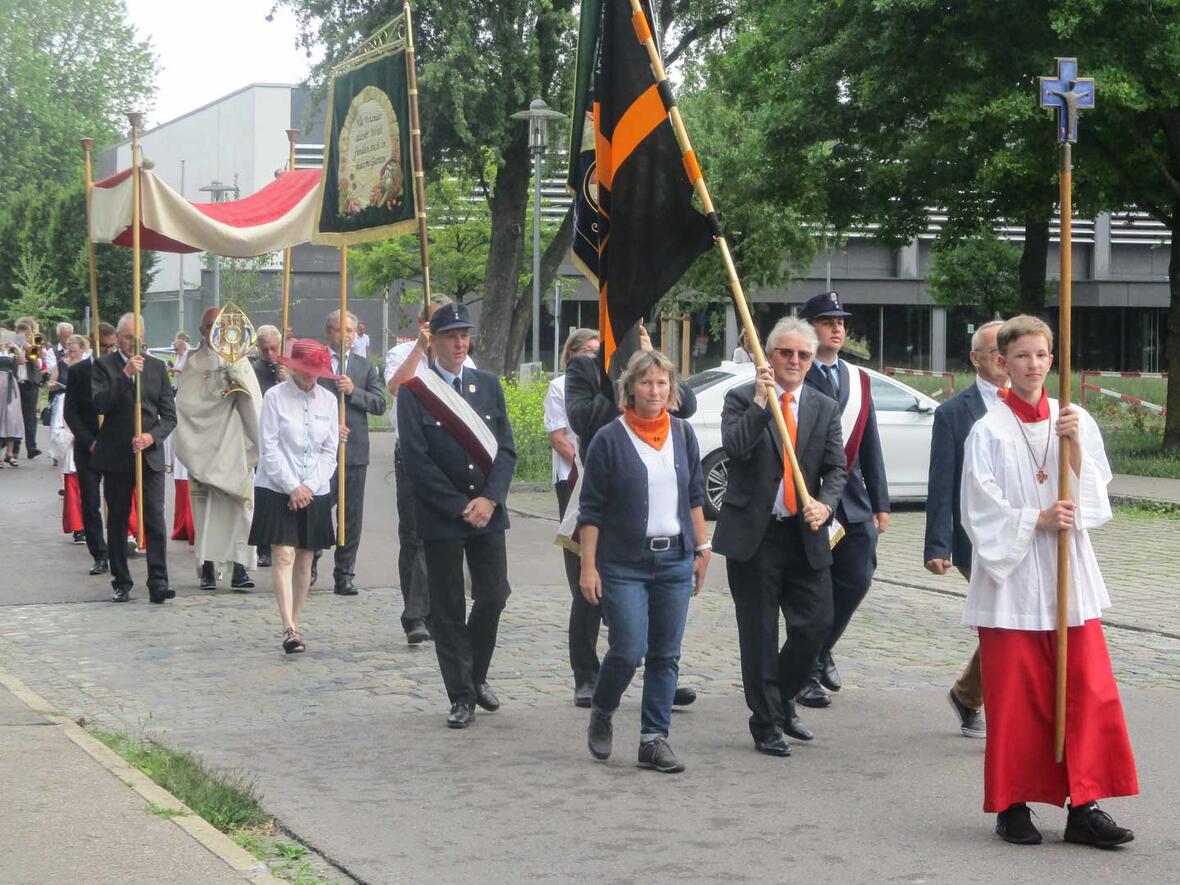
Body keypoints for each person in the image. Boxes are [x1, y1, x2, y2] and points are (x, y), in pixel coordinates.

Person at [961, 315, 1138, 847]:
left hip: (1069, 577)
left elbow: (1098, 493)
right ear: (1002, 363)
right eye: (1020, 356)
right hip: (1013, 583)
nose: (1032, 365)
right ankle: (1013, 806)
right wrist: (1033, 519)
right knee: (1016, 699)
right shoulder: (987, 429)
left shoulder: (1074, 416)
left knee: (1086, 693)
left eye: (1041, 356)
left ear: (1051, 360)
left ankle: (1085, 805)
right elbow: (977, 507)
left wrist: (1075, 448)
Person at [713, 316, 848, 755]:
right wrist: (758, 404)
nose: (794, 361)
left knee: (816, 624)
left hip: (804, 534)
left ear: (811, 361)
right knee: (759, 634)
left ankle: (782, 698)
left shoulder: (824, 407)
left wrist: (825, 503)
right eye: (785, 353)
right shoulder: (740, 399)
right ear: (767, 356)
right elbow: (734, 449)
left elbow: (836, 469)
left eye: (802, 355)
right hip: (755, 537)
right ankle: (766, 721)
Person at [577, 350, 710, 773]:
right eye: (646, 383)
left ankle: (654, 739)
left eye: (662, 383)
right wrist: (588, 567)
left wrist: (702, 548)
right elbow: (591, 511)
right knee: (629, 647)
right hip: (623, 564)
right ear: (629, 388)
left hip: (674, 559)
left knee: (666, 654)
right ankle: (603, 707)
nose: (655, 391)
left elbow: (694, 496)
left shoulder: (683, 434)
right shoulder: (610, 439)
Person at [563, 321, 701, 709]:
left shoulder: (657, 378)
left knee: (660, 627)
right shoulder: (585, 369)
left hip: (657, 498)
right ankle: (588, 676)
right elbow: (583, 419)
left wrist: (653, 362)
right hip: (602, 485)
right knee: (591, 592)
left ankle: (660, 684)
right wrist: (618, 379)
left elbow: (685, 405)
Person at [396, 301, 516, 728]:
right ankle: (461, 695)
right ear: (434, 341)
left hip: (487, 511)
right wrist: (457, 505)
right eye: (451, 336)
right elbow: (416, 459)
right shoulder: (415, 393)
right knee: (446, 608)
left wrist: (490, 499)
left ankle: (475, 674)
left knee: (493, 595)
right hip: (443, 514)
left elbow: (506, 449)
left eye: (464, 336)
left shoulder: (487, 384)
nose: (460, 343)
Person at [796, 291, 889, 709]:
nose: (837, 328)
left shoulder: (858, 377)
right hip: (811, 497)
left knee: (858, 576)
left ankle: (820, 648)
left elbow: (869, 442)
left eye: (840, 322)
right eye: (827, 321)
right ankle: (805, 670)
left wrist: (880, 501)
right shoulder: (795, 369)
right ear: (808, 327)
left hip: (852, 500)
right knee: (816, 586)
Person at [923, 319, 1006, 739]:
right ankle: (1006, 713)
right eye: (997, 351)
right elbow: (942, 482)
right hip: (974, 539)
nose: (1006, 359)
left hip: (1026, 532)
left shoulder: (1037, 401)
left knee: (1007, 623)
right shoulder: (954, 413)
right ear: (976, 359)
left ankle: (968, 693)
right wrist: (937, 545)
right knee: (1005, 623)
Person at [385, 294, 475, 644]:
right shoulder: (403, 355)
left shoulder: (463, 360)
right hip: (412, 454)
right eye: (440, 325)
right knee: (415, 535)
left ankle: (445, 610)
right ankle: (416, 614)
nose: (452, 335)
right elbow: (396, 387)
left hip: (451, 455)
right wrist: (421, 351)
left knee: (451, 535)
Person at [249, 339, 345, 654]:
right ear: (293, 369)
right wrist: (293, 486)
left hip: (314, 485)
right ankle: (287, 625)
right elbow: (270, 447)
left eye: (316, 372)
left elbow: (330, 450)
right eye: (305, 372)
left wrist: (309, 485)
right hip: (278, 485)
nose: (311, 378)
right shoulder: (275, 398)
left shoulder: (329, 402)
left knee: (306, 555)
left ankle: (297, 620)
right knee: (283, 554)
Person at [175, 307, 262, 592]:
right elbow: (188, 406)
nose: (215, 332)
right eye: (210, 326)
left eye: (220, 326)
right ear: (202, 331)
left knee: (240, 510)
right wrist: (216, 386)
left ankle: (238, 568)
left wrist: (235, 374)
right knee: (206, 512)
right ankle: (208, 568)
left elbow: (255, 405)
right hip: (205, 448)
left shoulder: (242, 361)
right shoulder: (193, 362)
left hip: (235, 447)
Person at [92, 313, 176, 604]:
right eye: (128, 337)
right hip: (117, 455)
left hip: (149, 455)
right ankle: (121, 581)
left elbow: (169, 416)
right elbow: (100, 402)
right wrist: (125, 374)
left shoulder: (156, 367)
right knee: (117, 519)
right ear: (118, 336)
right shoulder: (104, 366)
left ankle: (158, 581)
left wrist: (152, 437)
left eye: (137, 338)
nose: (132, 343)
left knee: (154, 518)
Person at [544, 328, 602, 707]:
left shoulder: (629, 379)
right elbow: (562, 433)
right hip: (578, 480)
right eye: (590, 353)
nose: (596, 359)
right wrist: (582, 463)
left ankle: (662, 669)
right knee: (588, 585)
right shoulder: (564, 386)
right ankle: (586, 674)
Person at [315, 309, 387, 596]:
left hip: (354, 452)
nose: (343, 336)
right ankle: (312, 558)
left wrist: (353, 391)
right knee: (319, 507)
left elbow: (380, 404)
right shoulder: (318, 363)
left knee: (351, 516)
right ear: (328, 332)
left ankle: (344, 573)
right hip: (322, 452)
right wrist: (331, 426)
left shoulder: (365, 367)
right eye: (337, 330)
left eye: (348, 331)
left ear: (356, 334)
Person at [65, 323, 118, 575]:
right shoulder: (78, 372)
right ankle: (99, 553)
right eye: (103, 346)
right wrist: (89, 440)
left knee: (117, 500)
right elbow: (70, 412)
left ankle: (118, 547)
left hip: (115, 445)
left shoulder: (122, 369)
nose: (107, 351)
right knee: (90, 501)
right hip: (88, 445)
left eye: (111, 347)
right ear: (92, 343)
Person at [251, 325, 286, 568]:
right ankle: (263, 547)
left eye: (274, 348)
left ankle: (281, 541)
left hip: (286, 439)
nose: (270, 354)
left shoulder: (289, 368)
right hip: (263, 438)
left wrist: (287, 380)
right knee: (263, 495)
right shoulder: (253, 371)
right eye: (265, 350)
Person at [13, 319, 44, 459]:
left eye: (25, 335)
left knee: (30, 417)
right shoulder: (10, 345)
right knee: (13, 416)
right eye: (20, 335)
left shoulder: (34, 345)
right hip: (13, 383)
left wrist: (27, 347)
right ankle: (14, 447)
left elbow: (38, 364)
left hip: (29, 383)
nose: (22, 338)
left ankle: (31, 447)